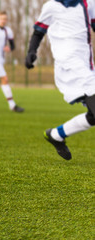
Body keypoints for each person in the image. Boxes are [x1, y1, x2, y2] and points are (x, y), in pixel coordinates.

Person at [26, 0, 95, 160]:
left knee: (93, 115)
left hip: (86, 66)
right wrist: (31, 51)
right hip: (68, 65)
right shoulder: (51, 6)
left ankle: (56, 135)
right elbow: (38, 32)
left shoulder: (89, 3)